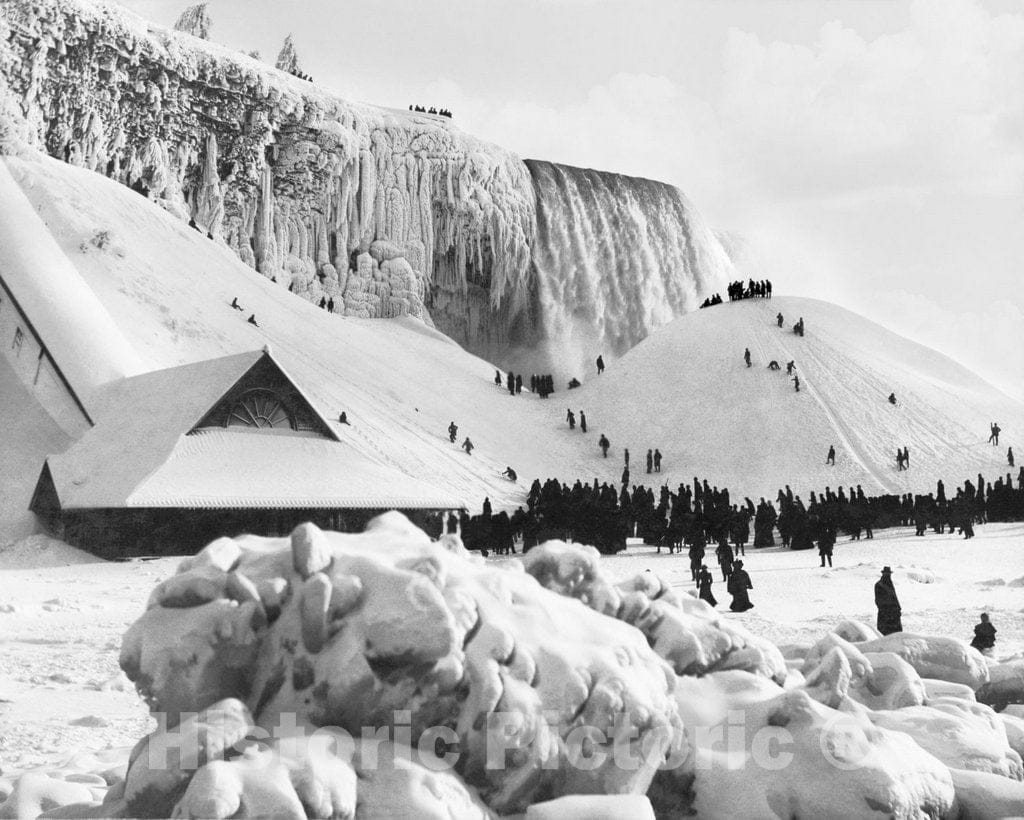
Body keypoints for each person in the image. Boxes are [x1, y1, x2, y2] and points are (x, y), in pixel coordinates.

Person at [874, 567, 902, 635]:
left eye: (889, 574)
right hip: (885, 615)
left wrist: (898, 608)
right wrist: (888, 610)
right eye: (886, 574)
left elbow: (894, 597)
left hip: (894, 615)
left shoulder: (889, 584)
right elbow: (878, 600)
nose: (888, 575)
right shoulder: (879, 585)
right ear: (883, 574)